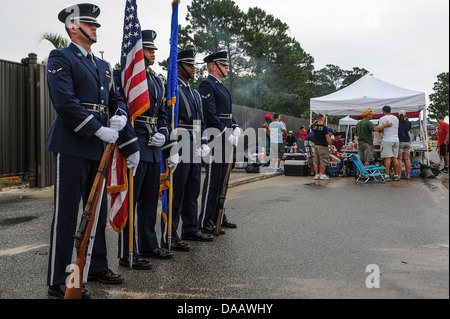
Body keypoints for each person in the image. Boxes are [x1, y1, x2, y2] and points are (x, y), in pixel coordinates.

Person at [46, 3, 139, 298]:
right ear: (73, 26)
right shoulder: (61, 57)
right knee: (68, 214)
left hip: (99, 147)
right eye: (90, 24)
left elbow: (116, 98)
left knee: (95, 213)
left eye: (96, 25)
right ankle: (59, 279)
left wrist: (121, 114)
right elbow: (64, 102)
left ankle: (97, 267)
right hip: (73, 144)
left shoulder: (102, 66)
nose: (95, 28)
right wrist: (96, 128)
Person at [114, 29, 173, 266]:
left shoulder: (156, 80)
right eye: (149, 50)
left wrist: (163, 133)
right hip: (134, 143)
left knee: (149, 200)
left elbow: (162, 114)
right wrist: (129, 146)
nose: (153, 53)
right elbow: (122, 111)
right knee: (130, 200)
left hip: (152, 145)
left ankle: (149, 245)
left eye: (153, 50)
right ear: (138, 52)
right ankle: (127, 251)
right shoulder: (124, 76)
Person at [161, 49, 214, 250]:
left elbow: (200, 120)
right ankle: (170, 233)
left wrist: (203, 143)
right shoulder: (171, 89)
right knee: (176, 191)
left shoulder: (194, 93)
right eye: (190, 65)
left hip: (193, 142)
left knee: (192, 189)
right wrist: (171, 146)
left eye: (194, 65)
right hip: (179, 140)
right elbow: (166, 118)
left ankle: (190, 228)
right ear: (179, 66)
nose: (193, 68)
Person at [198, 51, 239, 234]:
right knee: (213, 180)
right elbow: (210, 115)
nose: (227, 68)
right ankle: (206, 220)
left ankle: (218, 217)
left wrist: (235, 126)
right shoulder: (207, 85)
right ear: (213, 66)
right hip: (216, 137)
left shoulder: (220, 86)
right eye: (223, 65)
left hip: (225, 136)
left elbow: (226, 113)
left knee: (222, 180)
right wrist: (225, 133)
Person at [378, 106, 400, 182]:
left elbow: (380, 130)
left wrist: (384, 128)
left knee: (387, 158)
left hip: (387, 139)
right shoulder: (396, 118)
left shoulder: (382, 119)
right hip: (396, 139)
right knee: (395, 158)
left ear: (383, 111)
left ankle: (387, 175)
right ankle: (396, 175)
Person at [310, 114, 332, 180]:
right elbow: (327, 137)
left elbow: (310, 125)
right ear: (323, 119)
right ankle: (322, 174)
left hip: (316, 145)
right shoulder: (324, 127)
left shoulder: (314, 126)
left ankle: (317, 174)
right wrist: (330, 145)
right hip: (323, 146)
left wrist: (315, 122)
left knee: (316, 160)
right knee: (323, 160)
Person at [397, 110, 412, 179]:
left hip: (400, 141)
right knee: (407, 159)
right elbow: (408, 130)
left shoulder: (397, 123)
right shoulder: (408, 123)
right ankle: (408, 175)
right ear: (405, 115)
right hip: (407, 141)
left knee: (400, 159)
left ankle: (399, 175)